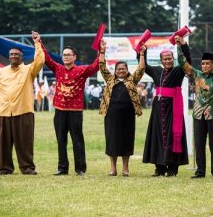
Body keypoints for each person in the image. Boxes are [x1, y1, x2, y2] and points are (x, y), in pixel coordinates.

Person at [41, 38, 101, 176]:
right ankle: (62, 168)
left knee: (77, 140)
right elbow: (46, 58)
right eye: (64, 54)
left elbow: (95, 66)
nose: (65, 57)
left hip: (75, 111)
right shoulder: (58, 68)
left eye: (68, 54)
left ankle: (80, 168)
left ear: (75, 57)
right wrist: (39, 42)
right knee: (61, 140)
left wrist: (101, 51)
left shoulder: (82, 70)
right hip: (60, 110)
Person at [176, 33, 213, 179]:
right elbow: (183, 63)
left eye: (208, 63)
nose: (205, 65)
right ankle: (200, 171)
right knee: (199, 144)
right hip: (199, 113)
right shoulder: (197, 75)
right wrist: (179, 45)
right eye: (203, 63)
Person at [0, 31, 45, 175]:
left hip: (23, 111)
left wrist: (37, 43)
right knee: (2, 142)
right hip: (2, 112)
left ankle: (27, 167)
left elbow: (40, 60)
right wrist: (0, 101)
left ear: (22, 57)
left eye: (16, 54)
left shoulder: (29, 70)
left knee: (25, 142)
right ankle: (4, 168)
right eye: (11, 55)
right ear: (9, 57)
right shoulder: (2, 72)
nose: (14, 56)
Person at [99, 40, 146, 176]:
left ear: (127, 70)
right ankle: (113, 169)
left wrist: (142, 53)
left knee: (127, 140)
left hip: (128, 116)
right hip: (111, 115)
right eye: (118, 69)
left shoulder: (132, 80)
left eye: (123, 69)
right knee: (112, 140)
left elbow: (141, 68)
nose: (121, 71)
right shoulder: (109, 79)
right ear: (115, 71)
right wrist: (102, 51)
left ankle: (125, 168)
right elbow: (101, 65)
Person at [141, 46, 189, 177]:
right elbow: (144, 66)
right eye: (165, 59)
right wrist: (143, 51)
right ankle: (160, 168)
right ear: (161, 61)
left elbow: (187, 61)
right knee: (157, 135)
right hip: (158, 108)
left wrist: (183, 46)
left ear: (173, 59)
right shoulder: (157, 71)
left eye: (170, 58)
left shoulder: (179, 71)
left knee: (172, 135)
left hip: (173, 107)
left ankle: (172, 168)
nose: (167, 61)